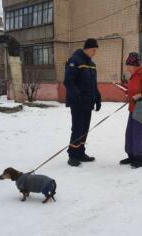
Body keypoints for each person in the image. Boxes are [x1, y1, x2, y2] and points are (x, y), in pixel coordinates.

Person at [63, 38, 102, 167]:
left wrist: (97, 97)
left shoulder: (92, 64)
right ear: (87, 48)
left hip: (88, 102)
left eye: (96, 50)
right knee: (77, 128)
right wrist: (78, 96)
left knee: (85, 129)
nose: (95, 52)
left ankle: (80, 153)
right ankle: (72, 155)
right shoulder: (75, 60)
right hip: (78, 102)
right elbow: (68, 81)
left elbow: (93, 84)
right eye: (93, 49)